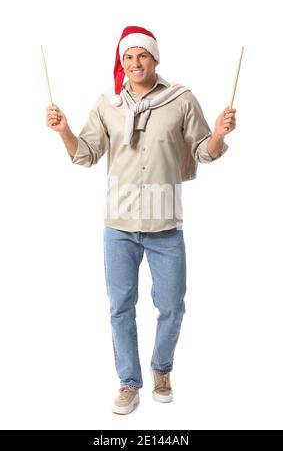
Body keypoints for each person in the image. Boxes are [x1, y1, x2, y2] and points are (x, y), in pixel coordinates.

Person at [46, 25, 236, 415]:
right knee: (120, 307)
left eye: (142, 56)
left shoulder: (181, 100)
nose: (135, 63)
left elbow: (202, 152)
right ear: (122, 62)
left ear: (155, 59)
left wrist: (217, 133)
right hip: (118, 225)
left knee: (171, 306)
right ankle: (129, 383)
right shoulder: (107, 105)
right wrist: (64, 131)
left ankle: (161, 369)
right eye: (128, 57)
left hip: (165, 224)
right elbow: (86, 155)